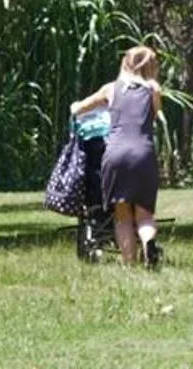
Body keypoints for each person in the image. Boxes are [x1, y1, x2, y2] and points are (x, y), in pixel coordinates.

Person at [70, 46, 164, 266]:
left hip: (115, 154)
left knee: (122, 216)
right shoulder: (153, 90)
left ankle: (129, 263)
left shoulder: (111, 89)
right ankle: (148, 242)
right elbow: (154, 114)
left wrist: (75, 106)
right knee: (144, 215)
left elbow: (79, 109)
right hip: (143, 154)